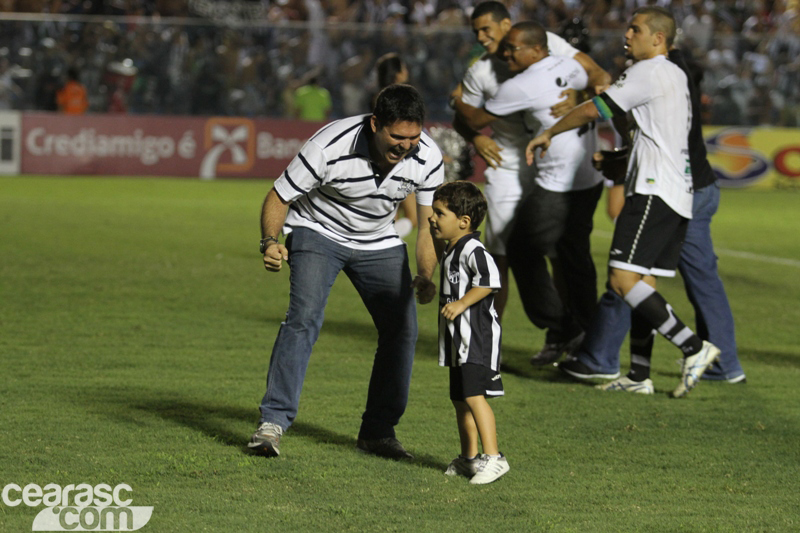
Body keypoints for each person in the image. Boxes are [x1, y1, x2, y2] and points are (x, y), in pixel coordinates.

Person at [527, 6, 720, 398]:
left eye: (635, 29)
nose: (626, 35)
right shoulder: (675, 75)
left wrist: (550, 131)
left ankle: (693, 347)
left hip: (653, 190)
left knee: (622, 279)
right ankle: (638, 374)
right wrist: (620, 158)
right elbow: (653, 132)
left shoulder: (647, 70)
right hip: (676, 191)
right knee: (642, 281)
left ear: (658, 38)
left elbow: (596, 108)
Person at [249, 84, 444, 458]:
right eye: (397, 137)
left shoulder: (428, 156)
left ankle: (378, 432)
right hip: (317, 230)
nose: (406, 146)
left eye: (413, 138)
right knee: (304, 319)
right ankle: (272, 423)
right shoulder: (329, 145)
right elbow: (279, 195)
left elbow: (427, 225)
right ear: (375, 124)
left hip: (379, 240)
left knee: (402, 330)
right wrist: (270, 242)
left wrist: (425, 273)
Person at [559, 46, 746, 385]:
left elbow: (632, 131)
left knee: (626, 275)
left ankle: (604, 357)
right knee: (672, 277)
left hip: (671, 192)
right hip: (699, 189)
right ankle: (713, 366)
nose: (629, 59)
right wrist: (622, 158)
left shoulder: (659, 83)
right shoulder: (678, 96)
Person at [451, 1, 610, 363]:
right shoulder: (480, 72)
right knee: (500, 256)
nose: (482, 37)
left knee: (558, 255)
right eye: (476, 32)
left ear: (508, 26)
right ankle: (488, 343)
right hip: (509, 166)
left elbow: (599, 78)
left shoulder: (545, 50)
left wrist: (582, 96)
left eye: (487, 29)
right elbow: (468, 121)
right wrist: (475, 138)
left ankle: (567, 334)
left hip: (549, 169)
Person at [429, 181, 508, 485]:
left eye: (439, 213)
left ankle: (494, 458)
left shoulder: (473, 249)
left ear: (463, 221)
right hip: (456, 340)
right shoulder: (452, 249)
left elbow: (490, 281)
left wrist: (462, 303)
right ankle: (469, 459)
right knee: (461, 400)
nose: (432, 218)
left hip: (476, 338)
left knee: (475, 397)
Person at [373, 53, 416, 239]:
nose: (407, 72)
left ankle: (382, 244)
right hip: (397, 161)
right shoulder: (398, 100)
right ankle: (382, 244)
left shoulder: (377, 97)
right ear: (397, 73)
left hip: (383, 161)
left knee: (391, 216)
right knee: (412, 217)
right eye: (403, 68)